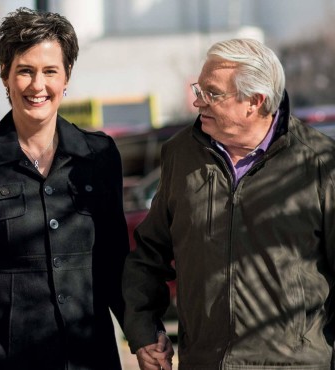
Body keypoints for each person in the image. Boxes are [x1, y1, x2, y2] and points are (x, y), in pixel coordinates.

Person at [122, 38, 335, 369]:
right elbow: (148, 256)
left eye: (212, 93)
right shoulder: (181, 154)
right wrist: (143, 331)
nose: (197, 102)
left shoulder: (319, 163)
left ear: (255, 101)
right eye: (199, 89)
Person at [0, 7, 129, 369]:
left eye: (50, 72)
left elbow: (115, 261)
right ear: (5, 76)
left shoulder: (99, 154)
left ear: (67, 77)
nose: (37, 85)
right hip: (6, 355)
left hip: (89, 353)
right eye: (25, 71)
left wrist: (143, 334)